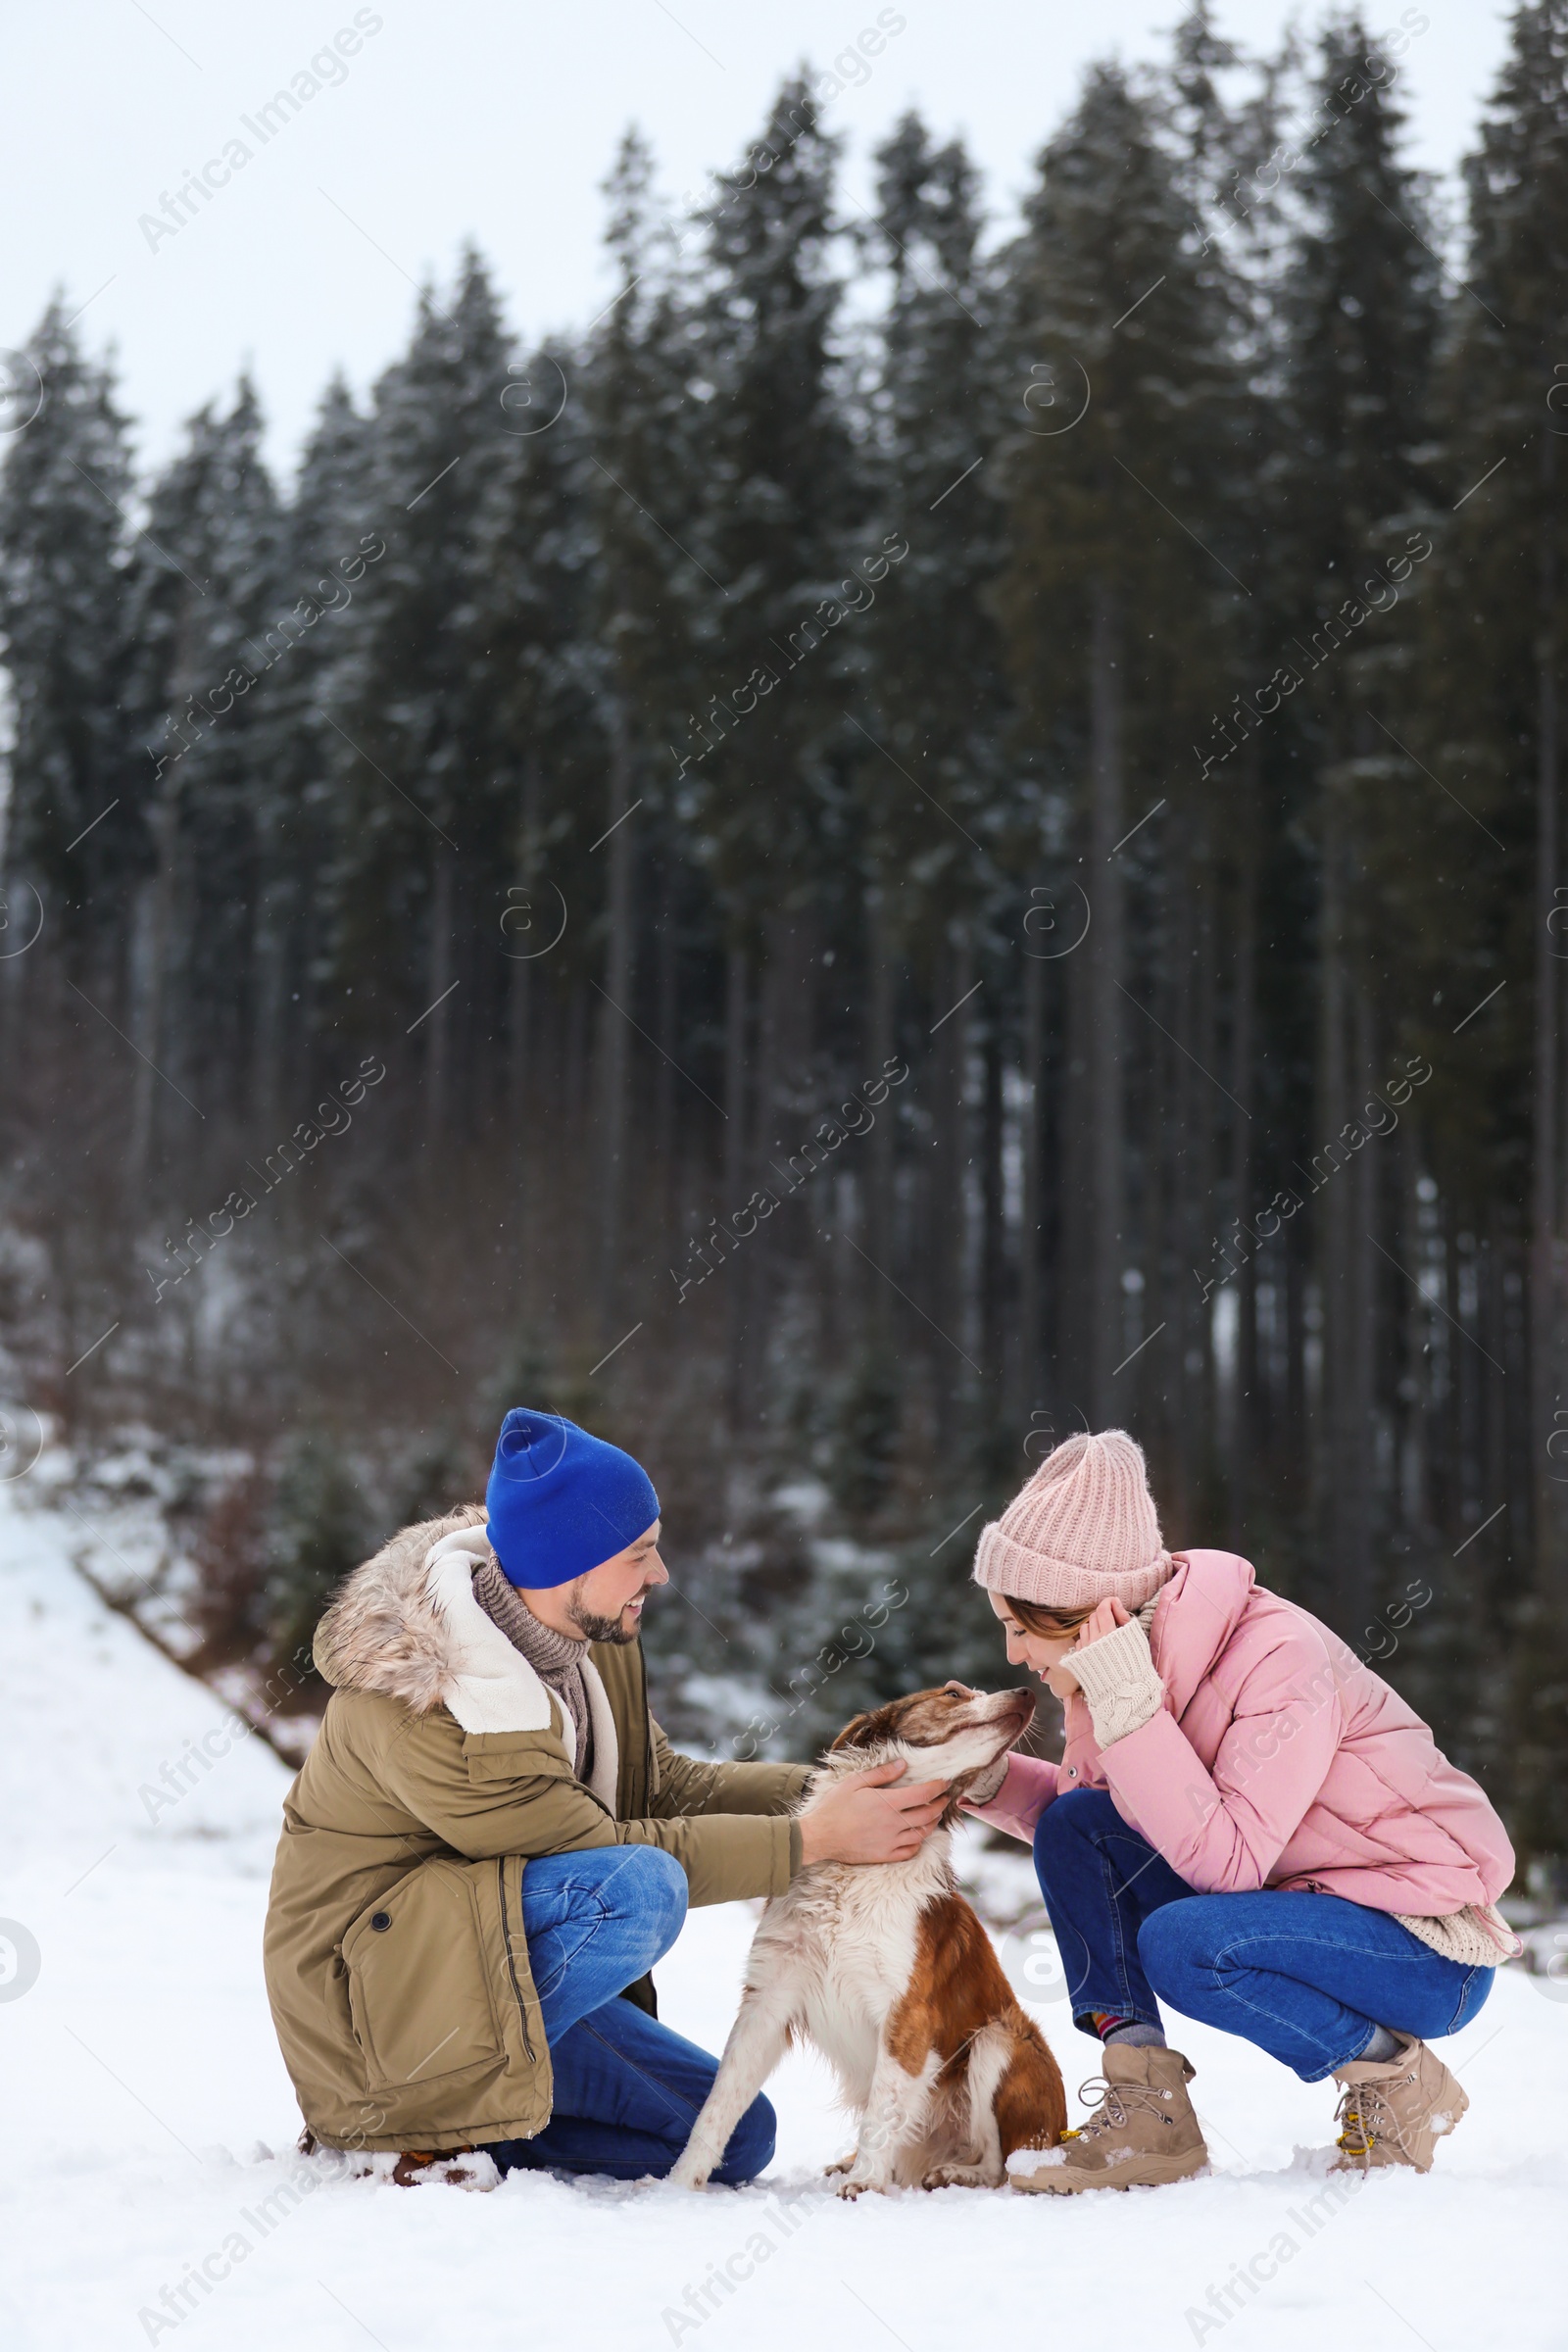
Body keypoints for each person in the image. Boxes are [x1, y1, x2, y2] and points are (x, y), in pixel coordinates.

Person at [263, 1408, 944, 2184]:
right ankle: (395, 2123)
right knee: (638, 1890)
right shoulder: (424, 1703)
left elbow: (670, 1789)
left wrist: (849, 1789)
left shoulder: (592, 1647)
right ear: (567, 1563)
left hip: (479, 1966)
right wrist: (815, 1839)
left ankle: (477, 2126)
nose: (659, 1576)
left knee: (733, 2140)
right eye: (640, 1554)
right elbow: (603, 1851)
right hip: (378, 2017)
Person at [963, 1430, 1516, 2192]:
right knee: (1074, 1825)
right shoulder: (1121, 1666)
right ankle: (1149, 2111)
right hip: (1298, 1913)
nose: (1014, 1653)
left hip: (1419, 1951)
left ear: (1088, 1612)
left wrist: (1127, 1705)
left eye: (1021, 1627)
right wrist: (981, 1776)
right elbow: (1098, 1835)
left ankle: (1396, 2077)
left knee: (1183, 1942)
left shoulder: (1277, 1654)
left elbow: (1227, 1868)